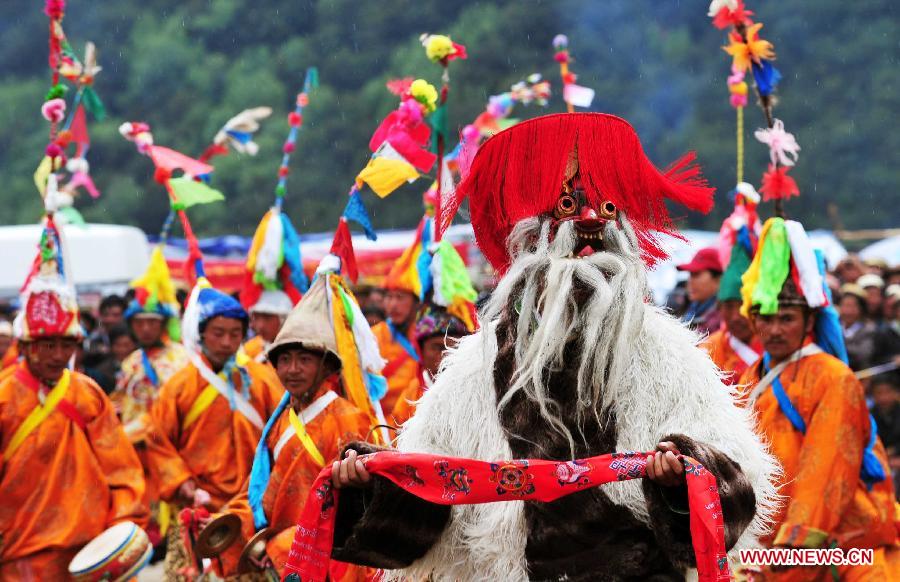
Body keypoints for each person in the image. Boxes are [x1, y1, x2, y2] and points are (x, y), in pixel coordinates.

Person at [317, 114, 777, 580]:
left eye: (606, 209)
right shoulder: (477, 366)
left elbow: (735, 492)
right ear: (529, 242)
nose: (590, 220)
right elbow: (423, 511)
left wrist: (681, 476)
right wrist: (369, 485)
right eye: (565, 207)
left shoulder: (666, 356)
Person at [739, 217, 898, 580]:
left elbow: (823, 474)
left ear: (809, 321)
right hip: (764, 543)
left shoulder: (832, 377)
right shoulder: (752, 375)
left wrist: (786, 555)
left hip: (835, 547)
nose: (775, 329)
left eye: (787, 318)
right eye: (766, 317)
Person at [0, 227, 148, 579]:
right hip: (20, 551)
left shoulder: (87, 393)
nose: (58, 355)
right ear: (25, 347)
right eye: (46, 345)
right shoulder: (4, 396)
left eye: (66, 345)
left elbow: (121, 469)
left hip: (90, 550)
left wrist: (122, 527)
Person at [221, 275, 371, 578]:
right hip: (279, 556)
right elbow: (260, 489)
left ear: (327, 367)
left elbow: (350, 508)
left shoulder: (347, 419)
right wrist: (225, 521)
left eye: (304, 359)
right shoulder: (280, 421)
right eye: (285, 359)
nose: (292, 369)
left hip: (324, 562)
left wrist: (285, 546)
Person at [146, 279, 284, 578]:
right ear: (202, 334)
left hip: (251, 503)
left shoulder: (262, 380)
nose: (226, 342)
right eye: (218, 333)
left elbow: (280, 434)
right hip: (198, 502)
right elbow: (157, 441)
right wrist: (182, 481)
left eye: (235, 334)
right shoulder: (179, 386)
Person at [112, 265, 189, 551]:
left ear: (163, 324)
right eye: (139, 322)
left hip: (167, 448)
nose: (145, 328)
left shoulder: (181, 359)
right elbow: (121, 401)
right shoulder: (131, 361)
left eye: (152, 322)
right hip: (135, 451)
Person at [703, 190, 762, 384]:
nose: (736, 315)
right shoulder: (707, 349)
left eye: (743, 304)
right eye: (729, 306)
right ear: (719, 308)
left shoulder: (775, 345)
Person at [391, 305, 471, 425]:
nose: (445, 354)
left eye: (453, 347)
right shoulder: (410, 397)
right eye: (437, 347)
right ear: (421, 351)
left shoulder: (472, 391)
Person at [370, 261, 421, 412]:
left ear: (416, 302)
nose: (392, 305)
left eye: (400, 297)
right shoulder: (373, 336)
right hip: (383, 426)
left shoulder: (425, 335)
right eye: (389, 297)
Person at [676, 247, 723, 335]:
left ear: (718, 279)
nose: (690, 281)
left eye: (696, 274)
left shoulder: (723, 321)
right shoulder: (691, 310)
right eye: (690, 274)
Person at [241, 290, 294, 364]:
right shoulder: (248, 350)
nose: (260, 325)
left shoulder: (299, 350)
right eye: (256, 317)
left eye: (267, 318)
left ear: (284, 319)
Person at [839, 283, 879, 371]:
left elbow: (863, 354)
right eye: (844, 305)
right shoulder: (835, 326)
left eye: (852, 306)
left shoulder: (868, 329)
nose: (847, 311)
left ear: (861, 309)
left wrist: (838, 346)